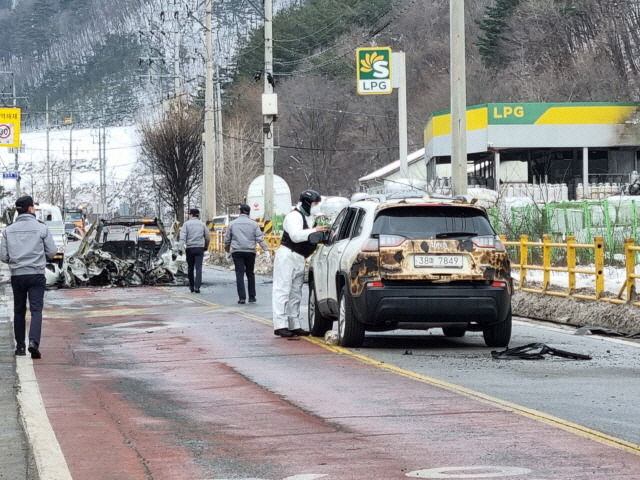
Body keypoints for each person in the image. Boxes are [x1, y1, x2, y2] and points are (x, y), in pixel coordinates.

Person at [0, 196, 56, 358]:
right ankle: (33, 342)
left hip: (18, 275)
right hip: (36, 274)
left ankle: (20, 347)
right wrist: (41, 257)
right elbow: (52, 251)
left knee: (19, 311)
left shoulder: (8, 230)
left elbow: (3, 256)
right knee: (36, 310)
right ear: (31, 209)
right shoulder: (41, 228)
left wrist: (15, 260)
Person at [271, 190, 327, 337]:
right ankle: (280, 324)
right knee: (282, 289)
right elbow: (296, 236)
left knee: (296, 292)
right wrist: (314, 230)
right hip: (288, 255)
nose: (316, 207)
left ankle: (294, 324)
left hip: (300, 257)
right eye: (315, 204)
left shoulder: (311, 218)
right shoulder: (294, 216)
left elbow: (310, 236)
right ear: (307, 203)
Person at [225, 204, 270, 304]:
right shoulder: (254, 224)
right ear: (249, 212)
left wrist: (227, 250)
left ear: (240, 212)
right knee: (250, 273)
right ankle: (252, 296)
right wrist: (266, 249)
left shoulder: (232, 224)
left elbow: (227, 239)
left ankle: (242, 298)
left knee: (239, 273)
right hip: (250, 252)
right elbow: (259, 238)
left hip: (237, 251)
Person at [178, 208, 211, 293]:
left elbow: (182, 237)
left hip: (190, 248)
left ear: (191, 215)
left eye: (189, 214)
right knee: (199, 268)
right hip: (199, 248)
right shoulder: (202, 224)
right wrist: (206, 246)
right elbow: (207, 237)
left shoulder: (186, 224)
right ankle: (197, 286)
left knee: (190, 268)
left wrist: (180, 248)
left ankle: (191, 286)